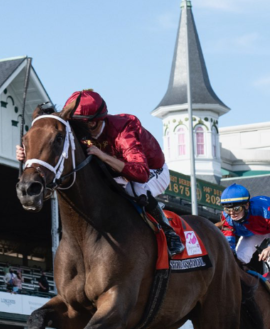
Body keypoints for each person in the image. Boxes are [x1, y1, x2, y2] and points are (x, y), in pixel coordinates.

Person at [18, 89, 184, 256]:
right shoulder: (81, 129)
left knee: (135, 189)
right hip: (117, 171)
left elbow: (141, 174)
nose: (73, 129)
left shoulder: (123, 130)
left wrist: (103, 155)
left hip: (152, 171)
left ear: (93, 123)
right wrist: (28, 155)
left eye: (76, 124)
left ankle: (169, 233)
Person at [219, 183, 270, 320]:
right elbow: (229, 242)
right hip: (253, 230)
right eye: (228, 209)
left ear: (247, 205)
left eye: (236, 208)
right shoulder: (227, 217)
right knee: (237, 261)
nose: (232, 213)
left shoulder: (267, 211)